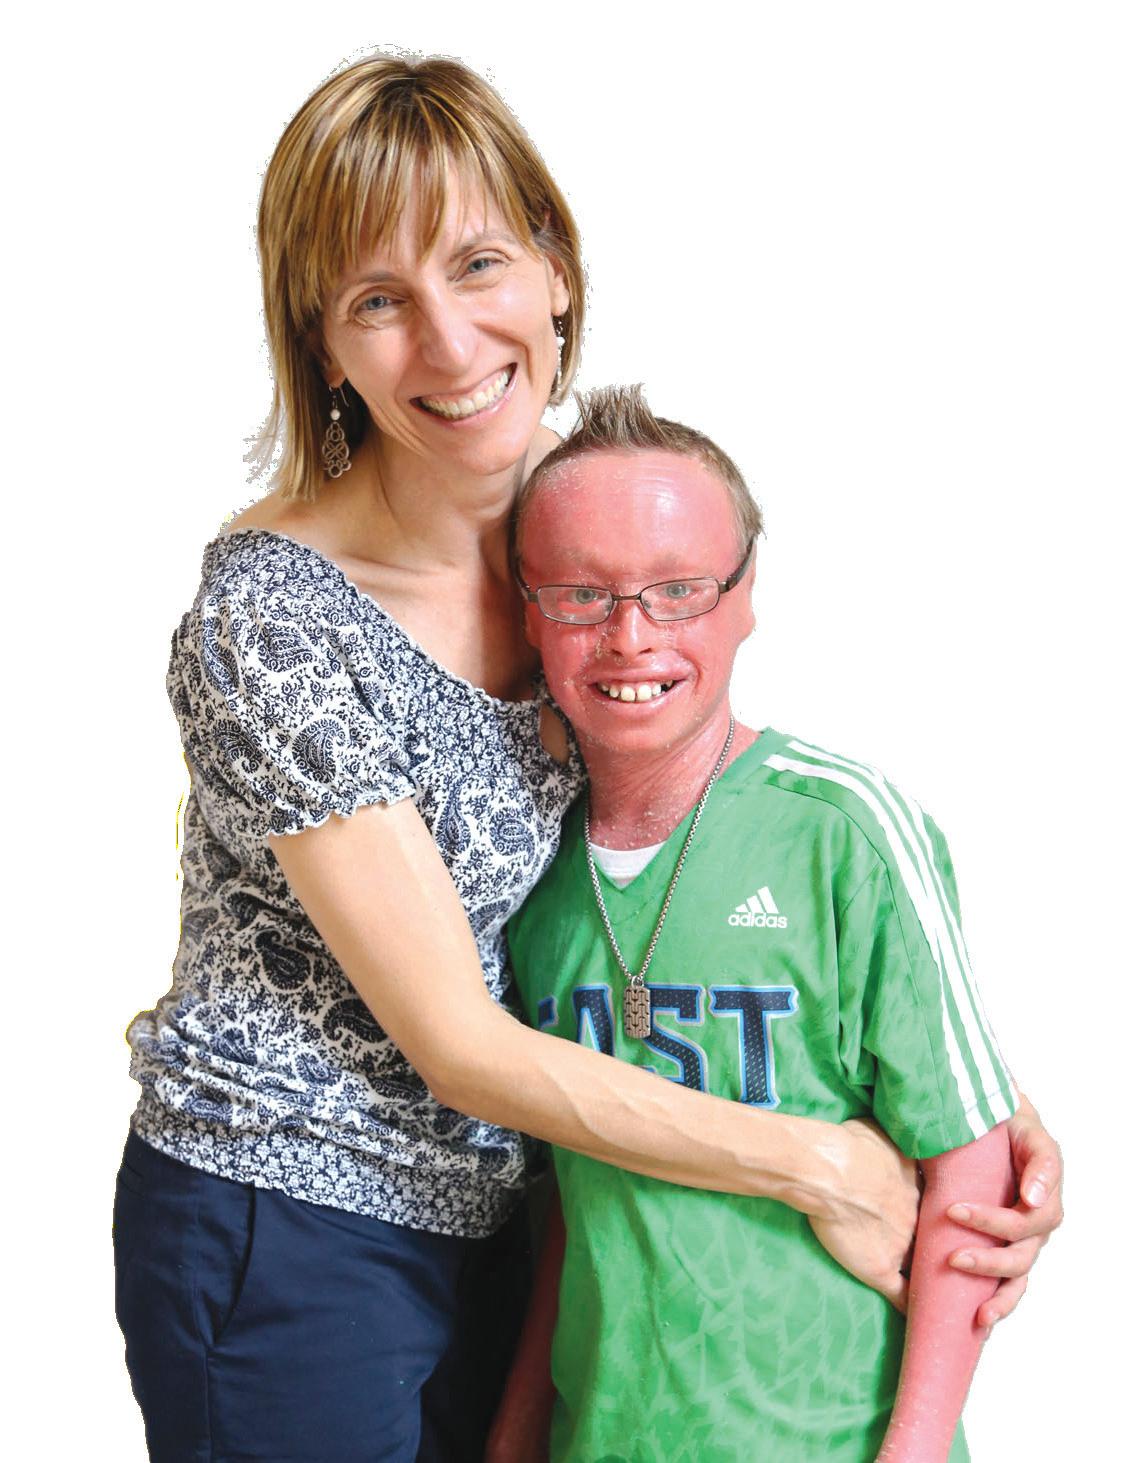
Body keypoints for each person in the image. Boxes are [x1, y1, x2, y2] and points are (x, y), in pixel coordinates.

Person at [115, 54, 1062, 1463]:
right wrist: (822, 1160)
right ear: (321, 344)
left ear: (555, 270)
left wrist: (972, 1110)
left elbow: (701, 808)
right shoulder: (272, 619)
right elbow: (458, 1044)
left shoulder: (592, 519)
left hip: (534, 1207)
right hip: (291, 1221)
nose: (450, 345)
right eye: (377, 300)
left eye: (478, 264)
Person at [496, 384, 1030, 1462]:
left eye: (678, 590)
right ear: (527, 611)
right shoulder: (523, 870)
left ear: (745, 598)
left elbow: (973, 1179)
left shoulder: (843, 829)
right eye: (580, 594)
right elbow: (580, 1200)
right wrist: (515, 1435)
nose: (630, 636)